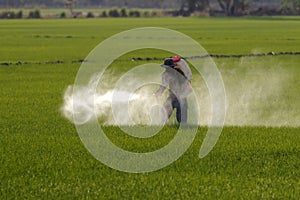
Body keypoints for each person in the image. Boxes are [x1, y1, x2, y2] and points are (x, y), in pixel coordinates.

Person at [154, 56, 192, 124]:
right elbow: (163, 85)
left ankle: (183, 127)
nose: (167, 69)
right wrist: (158, 93)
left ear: (172, 67)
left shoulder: (180, 74)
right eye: (166, 68)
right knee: (165, 110)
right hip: (172, 95)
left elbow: (186, 85)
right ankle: (161, 125)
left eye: (168, 68)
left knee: (181, 117)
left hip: (182, 96)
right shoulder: (165, 74)